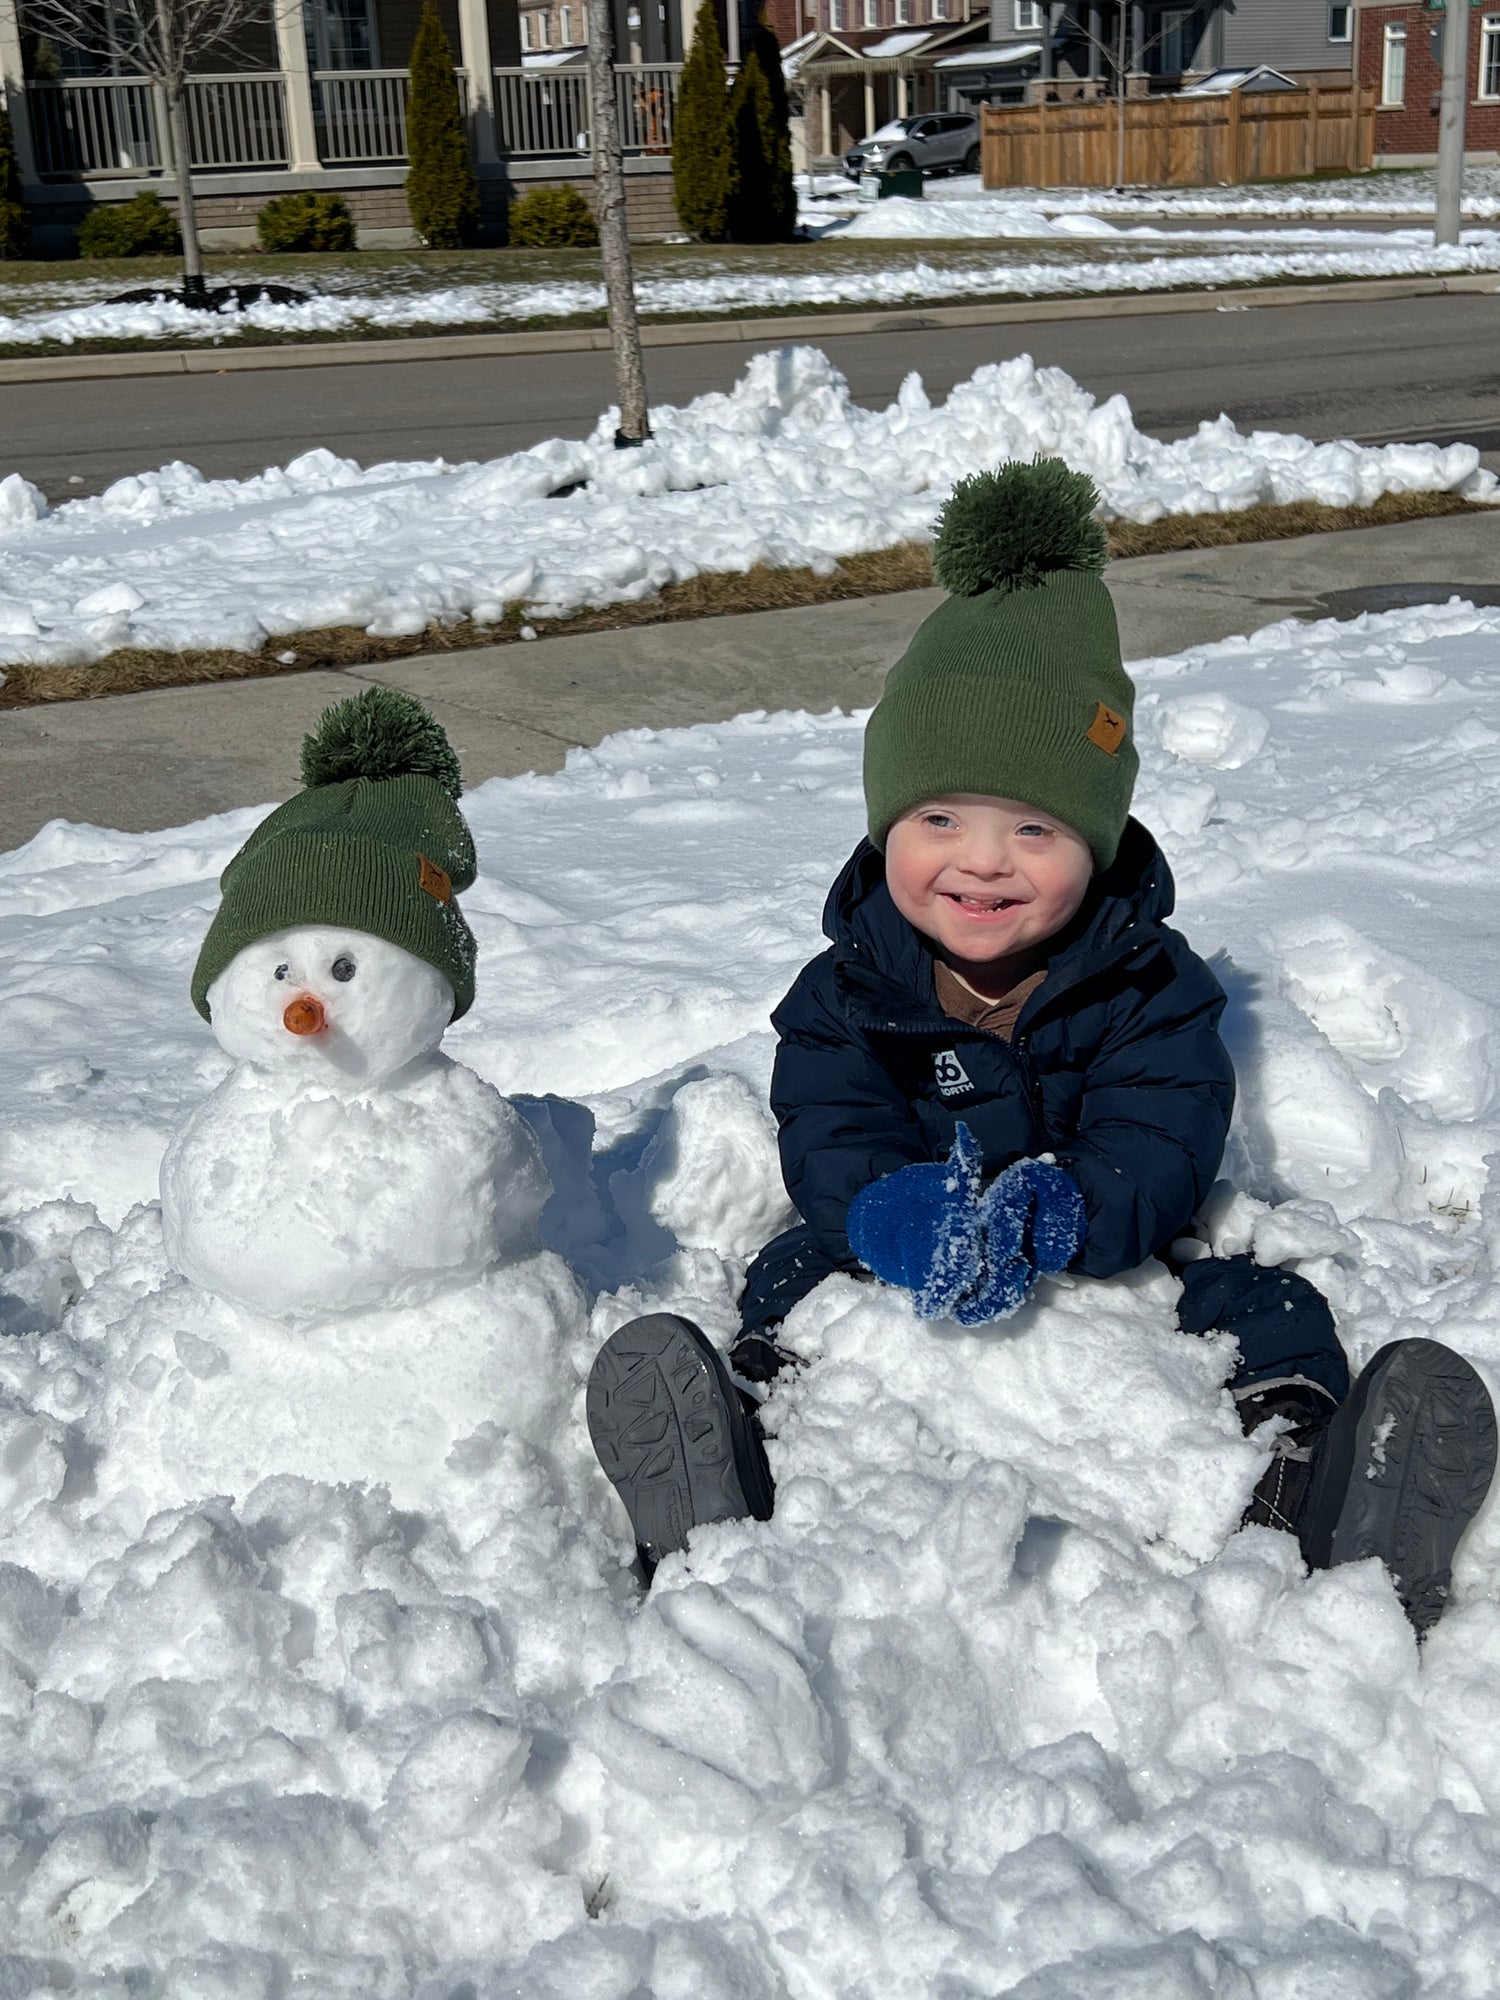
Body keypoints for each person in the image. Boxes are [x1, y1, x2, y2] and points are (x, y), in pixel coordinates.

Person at [585, 459, 1496, 1632]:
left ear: (1100, 839)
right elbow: (825, 1126)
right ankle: (729, 1500)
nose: (982, 860)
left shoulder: (1145, 979)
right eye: (937, 817)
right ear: (885, 825)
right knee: (781, 1291)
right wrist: (882, 1212)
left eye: (1035, 826)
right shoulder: (846, 987)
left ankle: (1316, 1505)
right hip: (890, 1265)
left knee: (1274, 1309)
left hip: (1117, 1258)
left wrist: (1066, 1207)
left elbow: (1164, 1133)